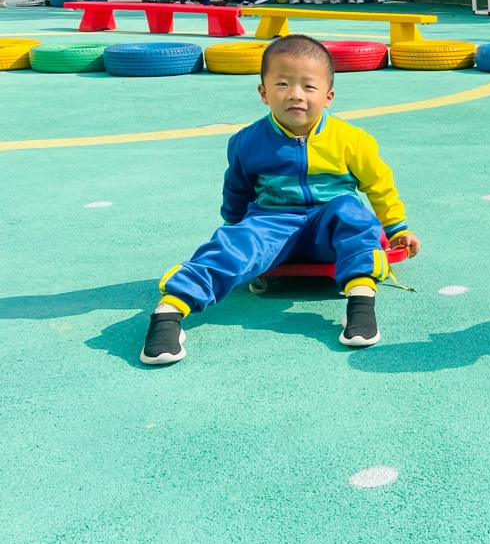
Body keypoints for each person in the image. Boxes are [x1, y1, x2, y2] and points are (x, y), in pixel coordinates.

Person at [140, 35, 421, 366]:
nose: (295, 94)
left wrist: (397, 227)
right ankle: (170, 311)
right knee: (235, 243)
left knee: (351, 213)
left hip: (329, 226)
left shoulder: (352, 140)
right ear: (264, 93)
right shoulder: (247, 141)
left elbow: (379, 185)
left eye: (308, 86)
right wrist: (237, 231)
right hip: (272, 221)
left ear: (328, 97)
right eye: (283, 84)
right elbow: (237, 188)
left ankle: (360, 300)